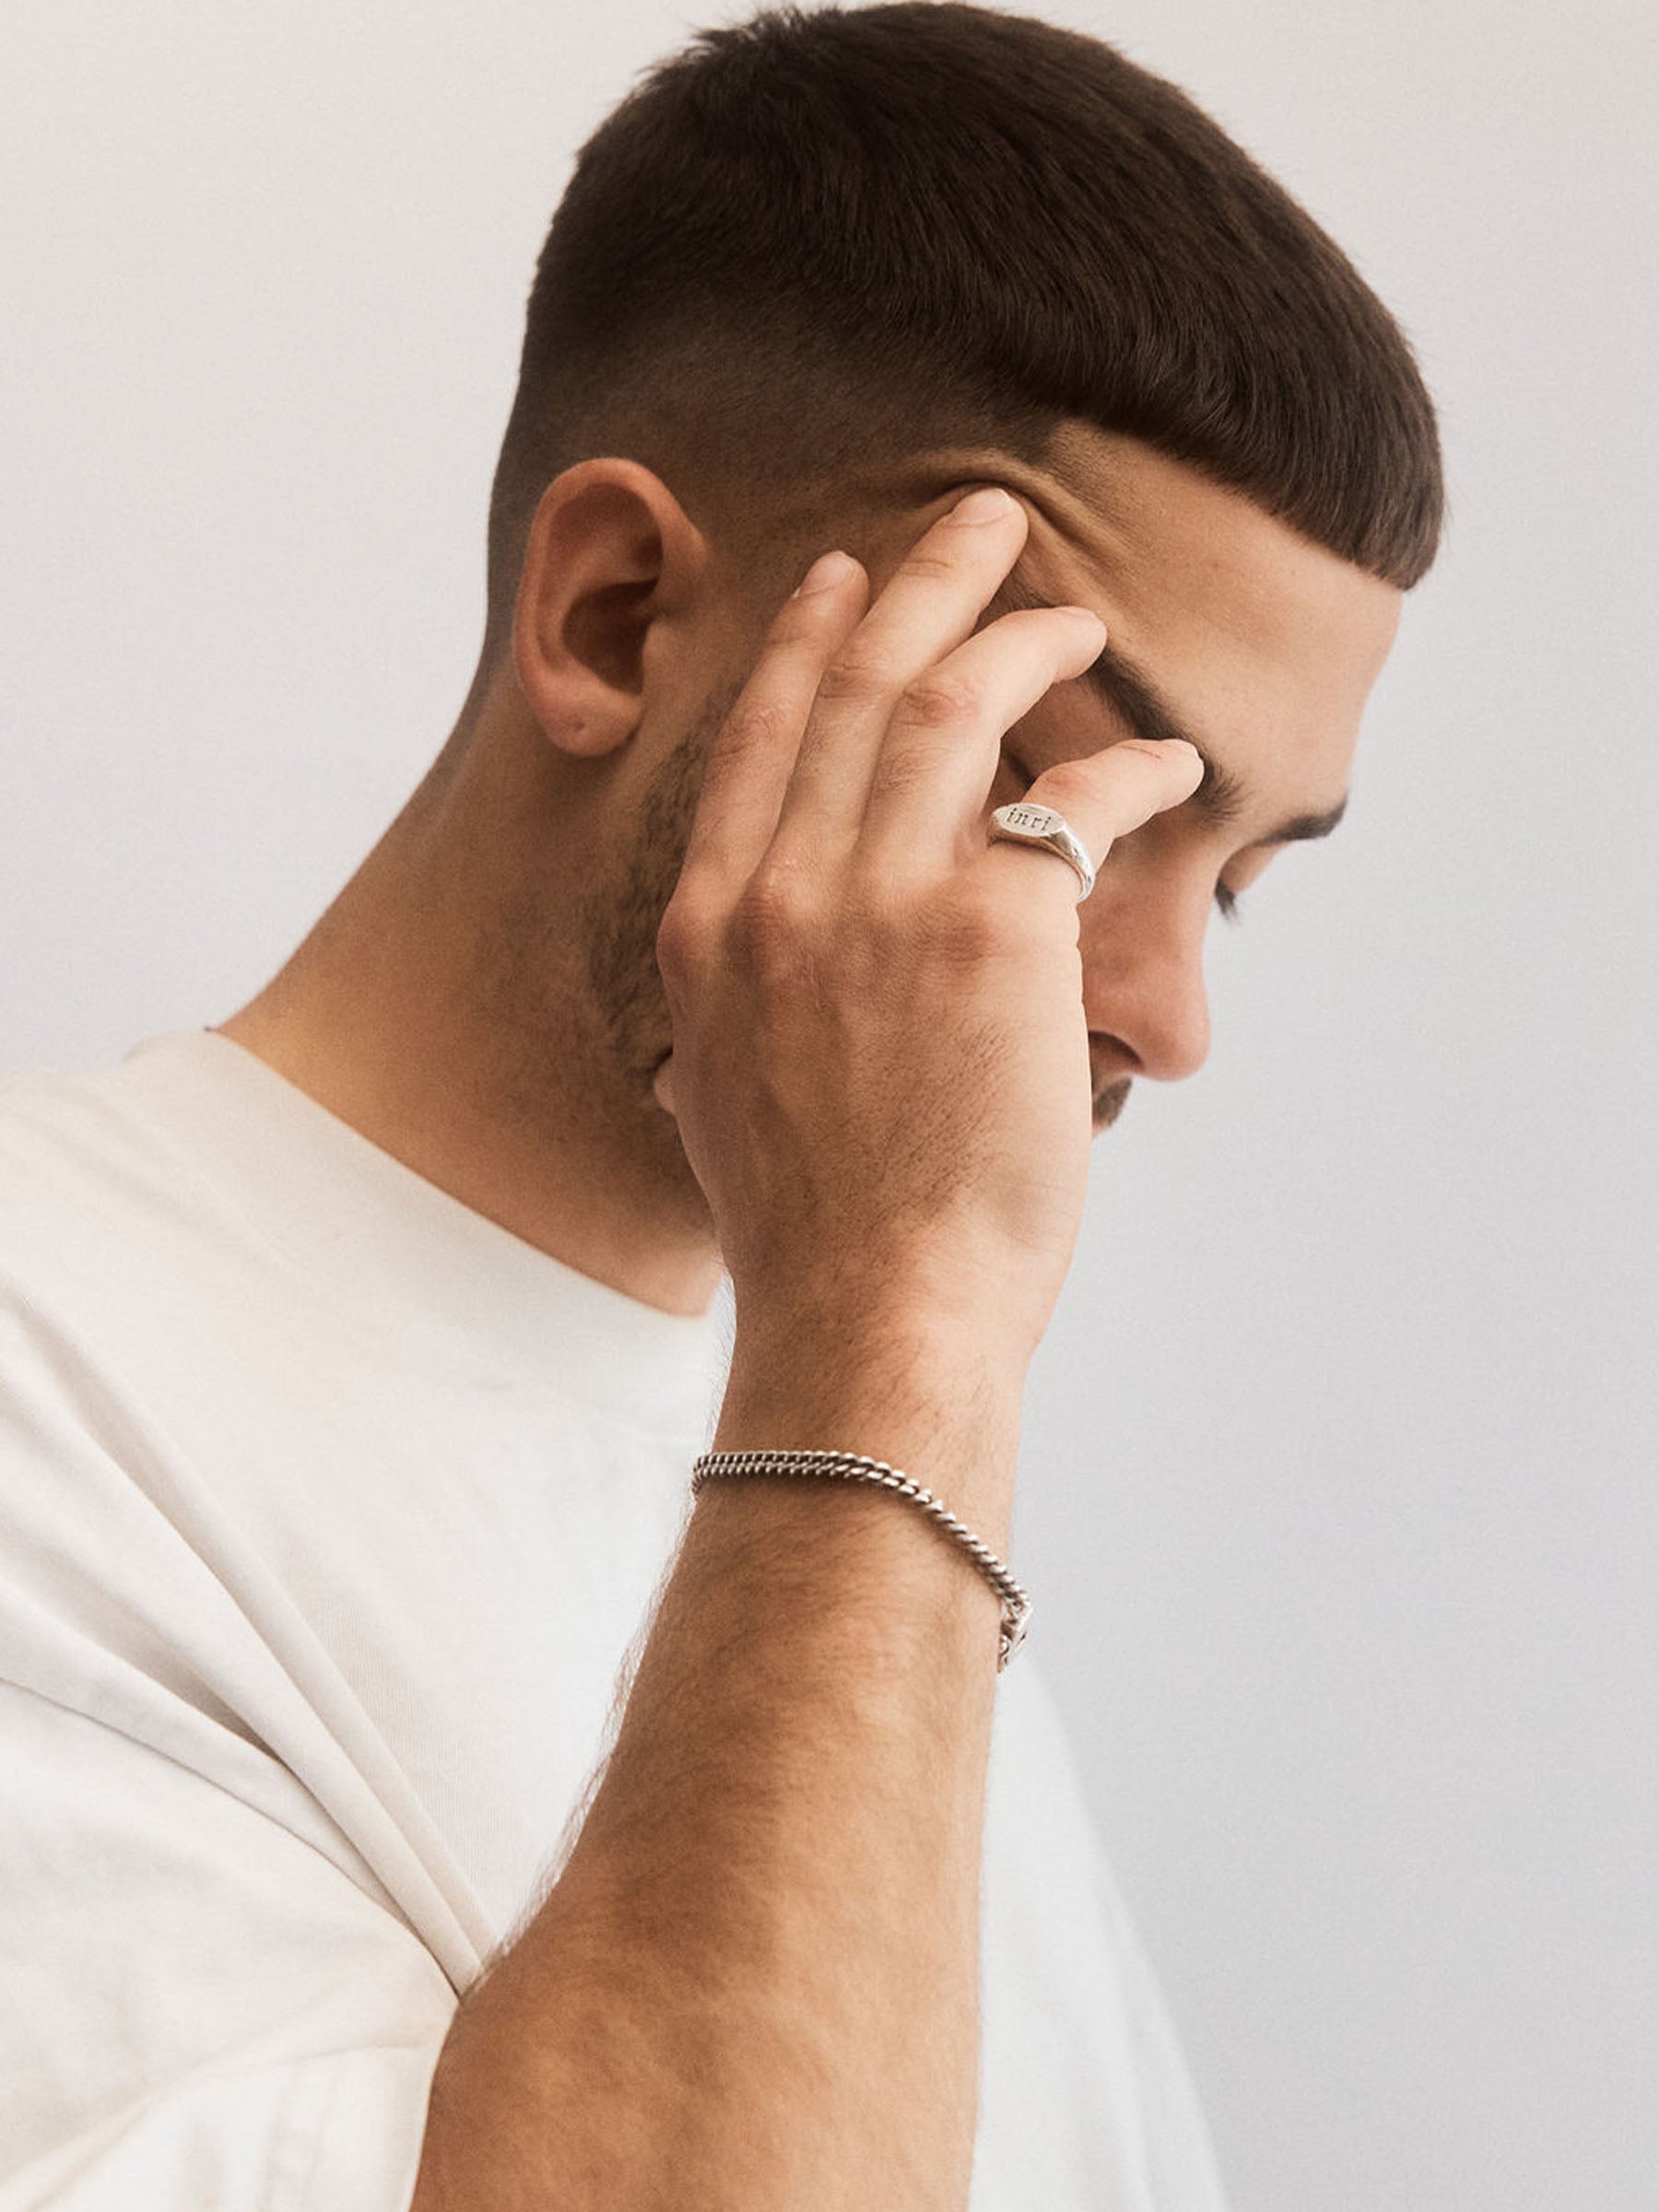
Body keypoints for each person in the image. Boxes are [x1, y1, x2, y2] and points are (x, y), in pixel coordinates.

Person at [0, 4, 1441, 2206]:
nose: (1169, 1015)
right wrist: (901, 1316)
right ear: (615, 615)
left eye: (1232, 876)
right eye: (1066, 794)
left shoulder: (848, 1500)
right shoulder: (62, 1393)